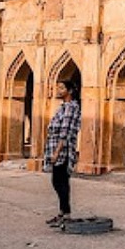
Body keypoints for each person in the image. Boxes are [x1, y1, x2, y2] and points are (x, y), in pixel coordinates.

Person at [43, 79, 81, 227]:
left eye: (62, 88)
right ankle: (62, 213)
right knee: (58, 181)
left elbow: (65, 132)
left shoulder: (71, 107)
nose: (58, 90)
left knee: (61, 182)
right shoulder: (63, 107)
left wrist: (57, 152)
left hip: (62, 149)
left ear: (70, 91)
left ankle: (66, 214)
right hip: (55, 147)